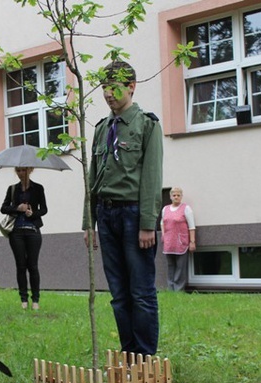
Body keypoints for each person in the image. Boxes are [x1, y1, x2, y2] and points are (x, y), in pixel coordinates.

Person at [83, 61, 163, 356]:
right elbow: (93, 177)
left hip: (133, 216)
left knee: (140, 292)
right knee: (118, 294)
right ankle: (128, 355)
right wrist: (88, 223)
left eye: (114, 86)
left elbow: (153, 177)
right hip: (106, 215)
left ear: (131, 86)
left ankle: (145, 359)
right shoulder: (102, 129)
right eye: (104, 87)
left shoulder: (147, 124)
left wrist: (147, 222)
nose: (107, 93)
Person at [0, 167, 48, 310]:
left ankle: (35, 299)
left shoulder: (38, 188)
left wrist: (32, 214)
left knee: (32, 265)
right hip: (16, 232)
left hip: (33, 230)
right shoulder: (13, 189)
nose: (21, 173)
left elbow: (44, 209)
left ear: (30, 170)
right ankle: (23, 299)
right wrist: (17, 208)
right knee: (21, 265)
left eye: (24, 170)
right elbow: (3, 208)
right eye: (19, 170)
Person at [160, 187, 196, 291]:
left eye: (178, 195)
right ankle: (171, 289)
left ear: (181, 197)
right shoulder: (165, 209)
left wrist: (192, 242)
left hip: (181, 242)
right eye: (174, 195)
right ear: (170, 196)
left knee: (180, 267)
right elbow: (162, 222)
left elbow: (191, 226)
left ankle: (179, 289)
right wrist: (163, 235)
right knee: (171, 266)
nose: (176, 197)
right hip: (168, 243)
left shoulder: (186, 208)